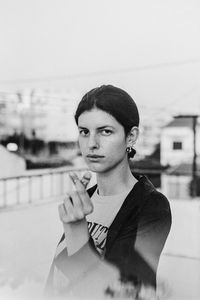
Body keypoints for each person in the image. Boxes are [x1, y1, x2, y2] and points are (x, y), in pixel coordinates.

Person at [45, 85, 172, 298]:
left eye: (105, 131)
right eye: (84, 132)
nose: (91, 144)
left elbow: (119, 294)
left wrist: (77, 230)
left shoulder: (151, 206)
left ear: (131, 137)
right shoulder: (86, 198)